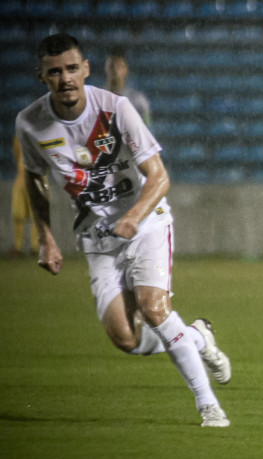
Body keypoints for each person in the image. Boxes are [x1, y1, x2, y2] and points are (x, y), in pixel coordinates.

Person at [15, 33, 231, 427]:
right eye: (55, 71)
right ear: (42, 76)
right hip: (96, 238)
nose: (65, 78)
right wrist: (45, 235)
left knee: (153, 308)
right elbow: (35, 179)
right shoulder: (30, 124)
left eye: (71, 68)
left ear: (86, 70)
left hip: (146, 221)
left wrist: (132, 218)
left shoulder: (117, 109)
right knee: (125, 339)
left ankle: (208, 407)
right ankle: (198, 337)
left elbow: (159, 176)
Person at [104, 46, 151, 126]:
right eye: (112, 65)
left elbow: (148, 129)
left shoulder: (138, 101)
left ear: (126, 69)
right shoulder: (97, 97)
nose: (115, 70)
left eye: (119, 66)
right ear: (105, 68)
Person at [10, 136, 39, 257]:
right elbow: (17, 154)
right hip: (21, 180)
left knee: (37, 216)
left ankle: (36, 248)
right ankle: (18, 248)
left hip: (38, 180)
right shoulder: (19, 136)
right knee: (18, 214)